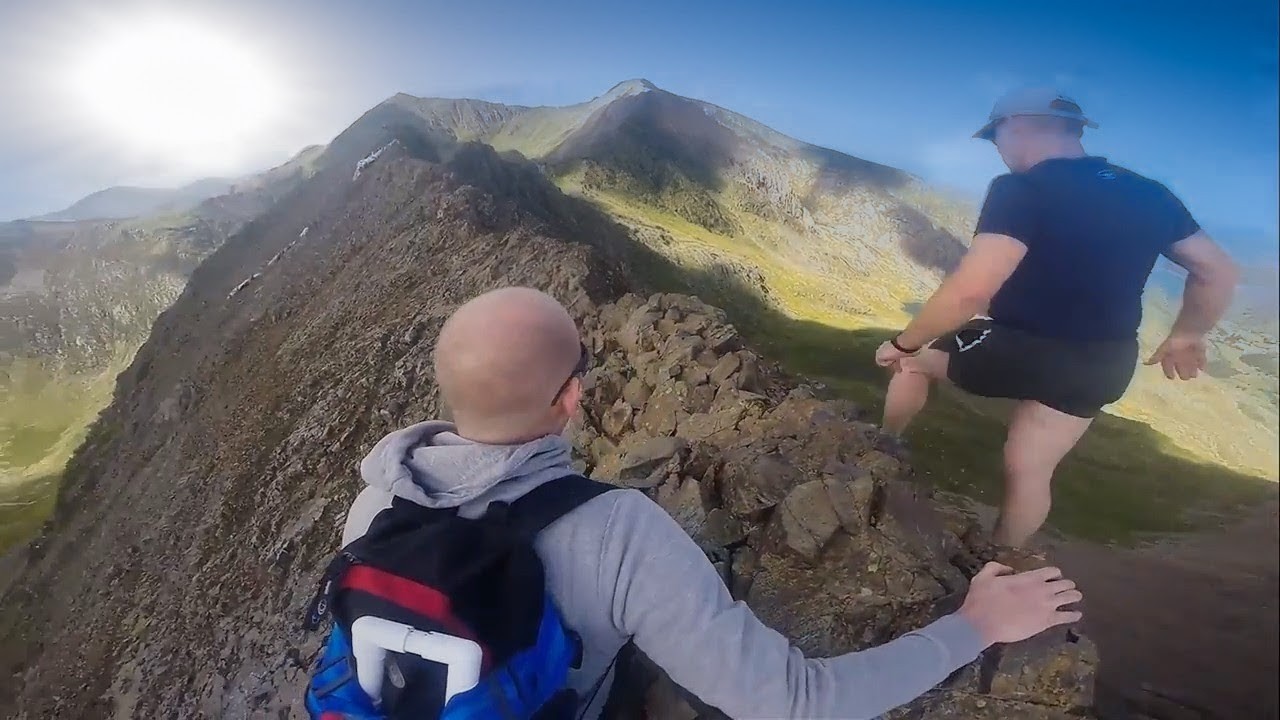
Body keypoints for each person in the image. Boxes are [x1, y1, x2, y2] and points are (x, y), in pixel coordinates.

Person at [342, 285, 1085, 719]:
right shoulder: (617, 532)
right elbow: (793, 702)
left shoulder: (375, 505)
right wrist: (974, 626)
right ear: (573, 397)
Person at [875, 87, 1240, 548]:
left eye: (995, 136)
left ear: (1019, 125)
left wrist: (903, 343)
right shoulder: (1151, 194)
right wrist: (1188, 334)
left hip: (1024, 346)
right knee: (1030, 468)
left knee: (914, 363)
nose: (997, 148)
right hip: (1105, 364)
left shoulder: (1022, 189)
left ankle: (882, 447)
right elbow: (1217, 270)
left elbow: (970, 290)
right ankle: (1001, 561)